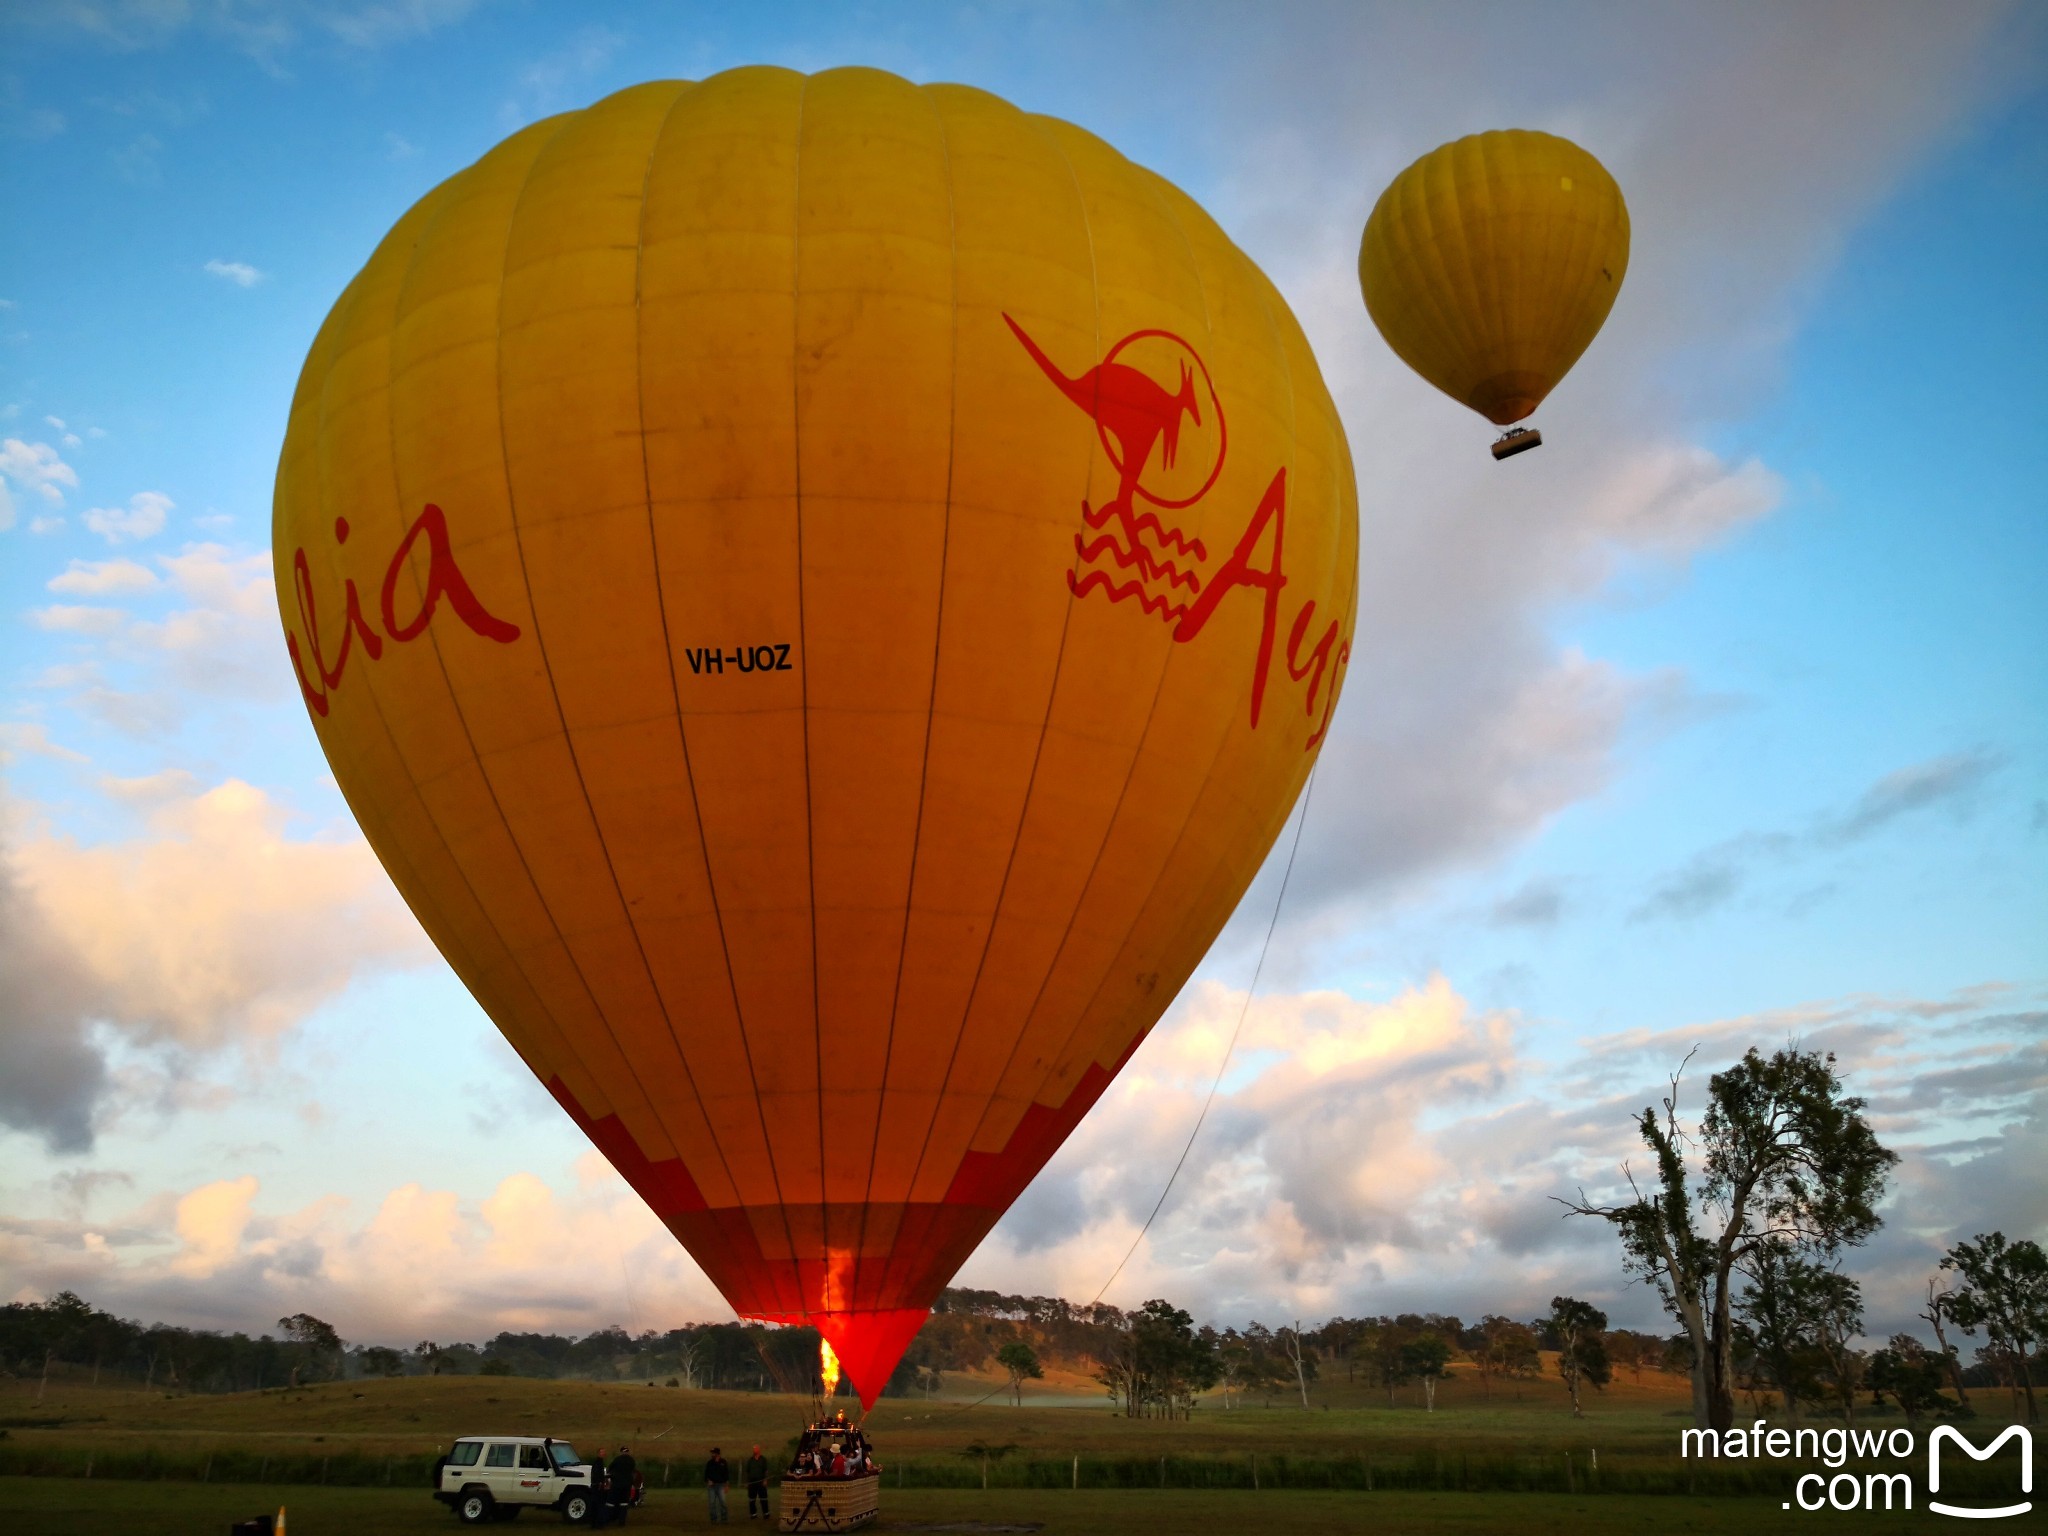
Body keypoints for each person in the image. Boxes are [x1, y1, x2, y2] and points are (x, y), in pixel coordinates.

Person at [608, 1445, 638, 1527]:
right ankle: (622, 1521)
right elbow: (634, 1472)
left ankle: (610, 1518)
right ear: (627, 1452)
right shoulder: (631, 1460)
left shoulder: (617, 1460)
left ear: (621, 1452)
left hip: (616, 1485)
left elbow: (609, 1469)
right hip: (626, 1485)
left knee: (612, 1503)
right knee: (624, 1503)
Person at [704, 1445, 731, 1525]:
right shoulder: (709, 1463)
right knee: (712, 1503)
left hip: (721, 1486)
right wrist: (708, 1481)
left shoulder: (723, 1462)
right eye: (711, 1453)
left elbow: (726, 1475)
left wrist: (727, 1485)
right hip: (712, 1487)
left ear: (717, 1453)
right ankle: (713, 1520)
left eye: (713, 1453)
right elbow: (706, 1475)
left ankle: (724, 1519)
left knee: (723, 1503)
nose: (712, 1454)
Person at [743, 1444, 770, 1520]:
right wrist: (747, 1482)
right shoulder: (750, 1460)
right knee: (752, 1499)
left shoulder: (763, 1459)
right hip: (752, 1482)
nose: (754, 1450)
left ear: (758, 1450)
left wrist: (765, 1480)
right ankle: (753, 1514)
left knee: (763, 1498)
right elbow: (747, 1472)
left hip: (761, 1482)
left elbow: (766, 1470)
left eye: (755, 1449)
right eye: (753, 1449)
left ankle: (766, 1513)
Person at [589, 1448, 611, 1530]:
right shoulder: (597, 1463)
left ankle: (596, 1522)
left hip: (598, 1486)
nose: (603, 1454)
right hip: (597, 1487)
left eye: (604, 1452)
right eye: (602, 1452)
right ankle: (596, 1523)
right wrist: (600, 1483)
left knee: (598, 1504)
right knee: (598, 1504)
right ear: (598, 1453)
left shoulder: (600, 1462)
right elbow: (596, 1474)